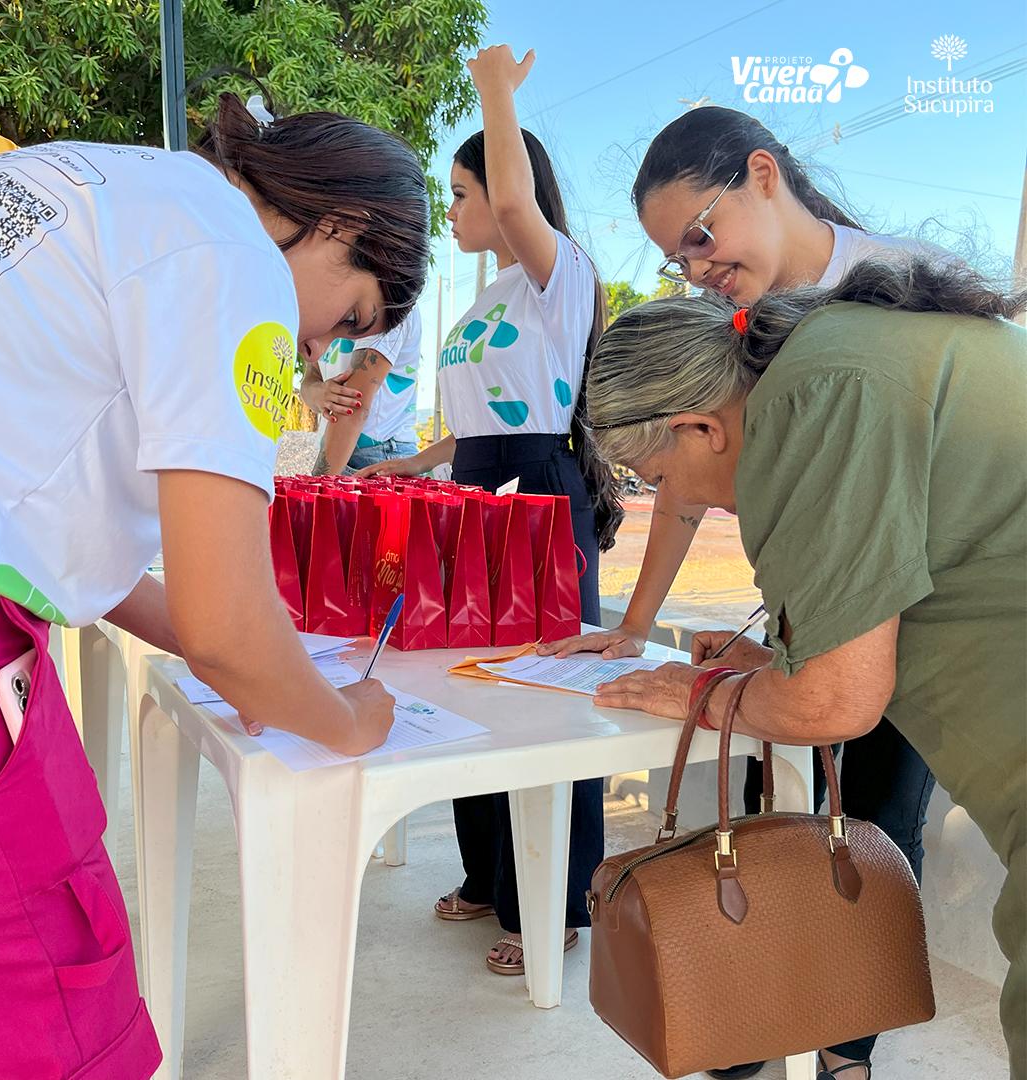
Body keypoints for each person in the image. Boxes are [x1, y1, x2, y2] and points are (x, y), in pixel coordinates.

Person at [0, 93, 429, 1077]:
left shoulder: (91, 180)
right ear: (342, 225)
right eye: (350, 317)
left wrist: (262, 661)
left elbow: (54, 534)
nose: (319, 349)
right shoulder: (237, 263)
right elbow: (224, 626)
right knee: (56, 1011)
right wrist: (340, 716)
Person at [540, 107, 951, 1078]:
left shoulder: (863, 340)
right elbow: (796, 528)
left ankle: (840, 1039)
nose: (696, 266)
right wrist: (751, 648)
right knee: (785, 793)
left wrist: (715, 689)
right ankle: (767, 1009)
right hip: (892, 584)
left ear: (763, 177)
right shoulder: (751, 356)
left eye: (699, 236)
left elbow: (844, 681)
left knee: (870, 808)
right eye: (678, 258)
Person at [583, 258, 1026, 1080]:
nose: (698, 506)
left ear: (701, 428)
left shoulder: (804, 398)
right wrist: (774, 659)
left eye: (665, 482)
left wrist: (706, 693)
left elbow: (833, 702)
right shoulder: (845, 353)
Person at [359, 44, 623, 975]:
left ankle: (552, 902)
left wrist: (493, 93)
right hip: (475, 492)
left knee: (540, 696)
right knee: (472, 682)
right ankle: (488, 877)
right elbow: (477, 420)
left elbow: (519, 206)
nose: (459, 209)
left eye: (461, 191)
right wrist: (416, 470)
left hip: (537, 502)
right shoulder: (487, 299)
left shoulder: (561, 275)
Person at [300, 306, 423, 475]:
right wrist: (320, 393)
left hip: (380, 454)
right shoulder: (330, 306)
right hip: (335, 447)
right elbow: (308, 380)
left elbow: (354, 408)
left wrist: (318, 488)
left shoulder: (390, 297)